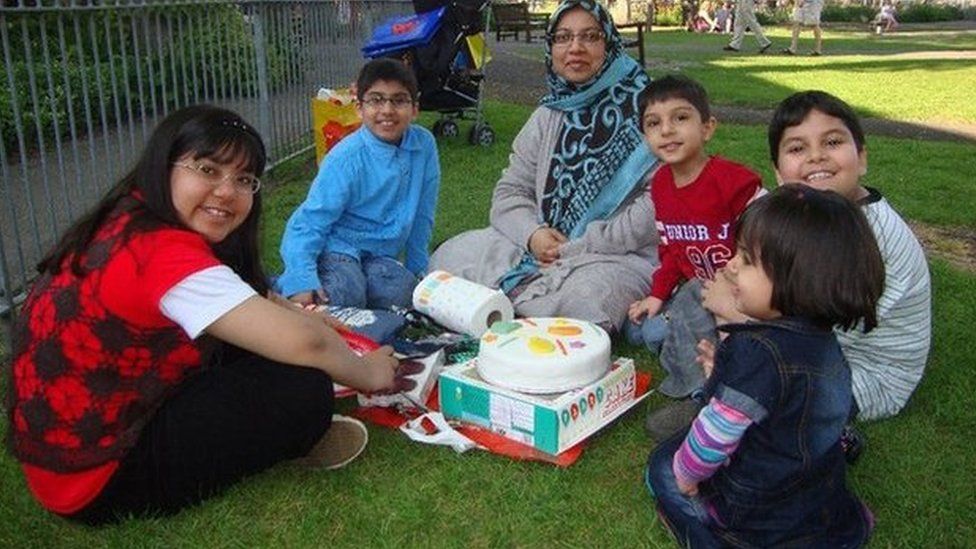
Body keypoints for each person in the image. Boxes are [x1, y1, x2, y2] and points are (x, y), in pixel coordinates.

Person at [6, 105, 406, 524]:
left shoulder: (131, 216)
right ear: (165, 166)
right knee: (304, 388)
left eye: (244, 180)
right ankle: (290, 438)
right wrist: (370, 373)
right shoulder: (164, 255)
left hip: (74, 445)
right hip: (98, 478)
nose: (226, 192)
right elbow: (306, 343)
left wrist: (301, 314)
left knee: (266, 350)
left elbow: (248, 296)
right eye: (208, 170)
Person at [646, 184, 883, 548]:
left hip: (758, 517)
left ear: (796, 278)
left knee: (662, 466)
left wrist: (685, 475)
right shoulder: (824, 342)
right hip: (816, 501)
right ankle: (845, 526)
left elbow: (715, 434)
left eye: (747, 259)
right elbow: (799, 409)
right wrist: (721, 378)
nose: (730, 266)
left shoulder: (755, 351)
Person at [428, 0, 658, 332]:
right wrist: (533, 234)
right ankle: (530, 311)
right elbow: (511, 191)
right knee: (451, 255)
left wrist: (579, 245)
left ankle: (501, 308)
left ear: (609, 43)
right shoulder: (548, 115)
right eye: (563, 38)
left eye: (590, 36)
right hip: (537, 246)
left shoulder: (648, 111)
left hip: (613, 254)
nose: (575, 48)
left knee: (593, 298)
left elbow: (658, 202)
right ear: (551, 48)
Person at [704, 90, 932, 424]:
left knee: (757, 377)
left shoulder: (866, 235)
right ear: (779, 173)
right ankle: (726, 379)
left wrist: (732, 317)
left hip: (869, 374)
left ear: (863, 157)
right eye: (797, 148)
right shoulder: (811, 219)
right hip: (827, 346)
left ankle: (724, 397)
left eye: (833, 142)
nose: (816, 157)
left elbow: (813, 334)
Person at [624, 75, 763, 407]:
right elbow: (671, 250)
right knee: (640, 330)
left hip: (740, 295)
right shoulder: (660, 185)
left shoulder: (733, 181)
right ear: (645, 137)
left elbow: (767, 244)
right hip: (699, 291)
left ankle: (700, 388)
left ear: (707, 127)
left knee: (675, 327)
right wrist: (657, 296)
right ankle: (688, 335)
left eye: (681, 118)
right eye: (654, 123)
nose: (667, 130)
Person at [276, 58, 440, 312]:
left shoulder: (424, 145)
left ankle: (356, 287)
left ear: (415, 109)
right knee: (346, 292)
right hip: (339, 245)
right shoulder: (345, 158)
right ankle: (284, 286)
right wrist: (301, 278)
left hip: (379, 255)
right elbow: (309, 221)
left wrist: (418, 270)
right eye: (376, 100)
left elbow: (422, 213)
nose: (387, 110)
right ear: (359, 108)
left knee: (405, 293)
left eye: (399, 100)